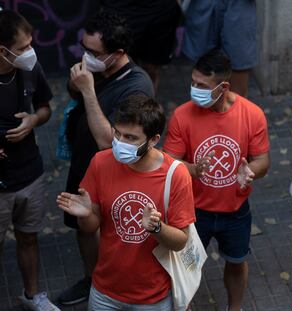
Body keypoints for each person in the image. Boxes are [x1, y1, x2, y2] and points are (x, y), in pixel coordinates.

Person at [57, 95, 195, 310]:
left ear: (153, 139)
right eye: (117, 133)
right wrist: (85, 216)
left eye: (130, 138)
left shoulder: (176, 175)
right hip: (105, 292)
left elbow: (180, 241)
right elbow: (91, 227)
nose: (120, 143)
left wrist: (157, 227)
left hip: (153, 297)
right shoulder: (100, 162)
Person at [58, 10, 154, 306]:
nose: (86, 56)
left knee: (108, 233)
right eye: (83, 48)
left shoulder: (137, 86)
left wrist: (87, 90)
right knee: (81, 224)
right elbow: (72, 90)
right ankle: (93, 279)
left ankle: (112, 289)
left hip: (114, 172)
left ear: (117, 54)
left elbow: (106, 141)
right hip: (84, 165)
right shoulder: (98, 69)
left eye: (93, 52)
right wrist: (78, 84)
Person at [163, 49, 270, 311]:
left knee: (236, 262)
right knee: (185, 268)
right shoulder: (182, 115)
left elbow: (263, 161)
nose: (194, 89)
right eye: (193, 82)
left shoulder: (252, 114)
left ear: (223, 87)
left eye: (202, 85)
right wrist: (190, 169)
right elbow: (168, 164)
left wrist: (251, 171)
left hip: (236, 212)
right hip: (191, 212)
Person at [0, 10, 60, 311]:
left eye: (31, 44)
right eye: (23, 48)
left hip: (30, 173)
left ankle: (32, 295)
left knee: (28, 238)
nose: (30, 52)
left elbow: (46, 108)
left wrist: (34, 120)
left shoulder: (30, 68)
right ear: (2, 50)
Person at [100, 0, 182, 93]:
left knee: (151, 68)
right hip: (121, 8)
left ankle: (146, 103)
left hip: (159, 11)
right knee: (113, 64)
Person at [182, 0, 257, 97]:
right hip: (202, 4)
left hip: (239, 5)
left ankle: (235, 110)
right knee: (202, 76)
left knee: (238, 73)